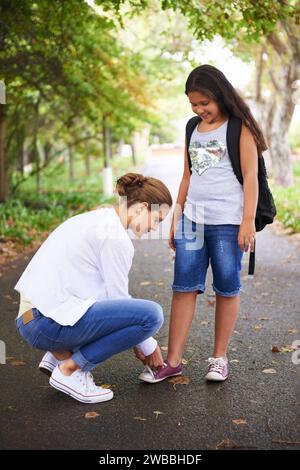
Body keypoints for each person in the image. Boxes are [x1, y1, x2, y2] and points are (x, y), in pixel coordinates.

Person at [139, 64, 265, 384]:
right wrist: (176, 217)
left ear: (220, 95)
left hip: (228, 224)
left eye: (204, 103)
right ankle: (173, 361)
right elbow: (187, 175)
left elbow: (251, 177)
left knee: (226, 287)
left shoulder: (239, 127)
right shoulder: (192, 127)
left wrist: (247, 221)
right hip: (192, 221)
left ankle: (219, 358)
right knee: (183, 287)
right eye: (193, 104)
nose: (199, 110)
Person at [14, 173, 172, 403]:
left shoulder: (95, 219)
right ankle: (70, 370)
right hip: (43, 323)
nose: (155, 227)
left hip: (29, 318)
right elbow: (119, 302)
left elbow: (98, 296)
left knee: (105, 307)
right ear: (141, 208)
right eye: (157, 219)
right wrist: (150, 345)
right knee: (151, 316)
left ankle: (57, 355)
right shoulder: (115, 237)